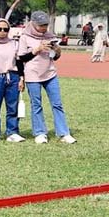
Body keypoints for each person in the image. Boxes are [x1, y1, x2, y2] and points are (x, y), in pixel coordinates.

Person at [18, 11, 76, 144]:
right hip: (33, 74)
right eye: (41, 25)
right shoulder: (24, 37)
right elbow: (21, 57)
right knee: (36, 104)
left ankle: (64, 133)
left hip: (50, 73)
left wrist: (57, 52)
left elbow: (53, 57)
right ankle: (40, 133)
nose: (44, 28)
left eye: (46, 25)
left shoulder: (50, 36)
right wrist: (36, 49)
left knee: (57, 104)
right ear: (33, 24)